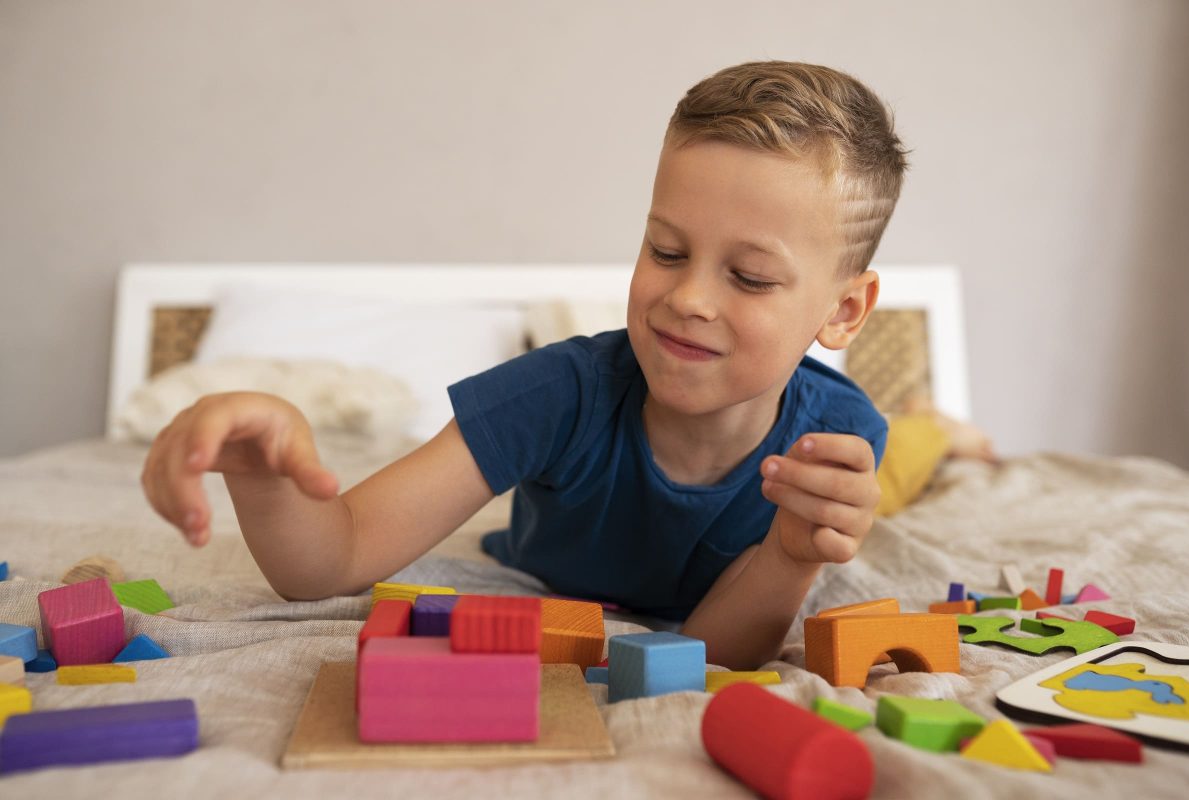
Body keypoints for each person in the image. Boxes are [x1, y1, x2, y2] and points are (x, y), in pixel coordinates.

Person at [141, 61, 910, 670]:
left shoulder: (841, 437)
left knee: (901, 473)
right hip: (535, 572)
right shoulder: (558, 393)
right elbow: (331, 558)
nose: (689, 298)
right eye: (666, 251)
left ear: (843, 311)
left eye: (748, 277)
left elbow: (710, 657)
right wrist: (262, 474)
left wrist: (791, 556)